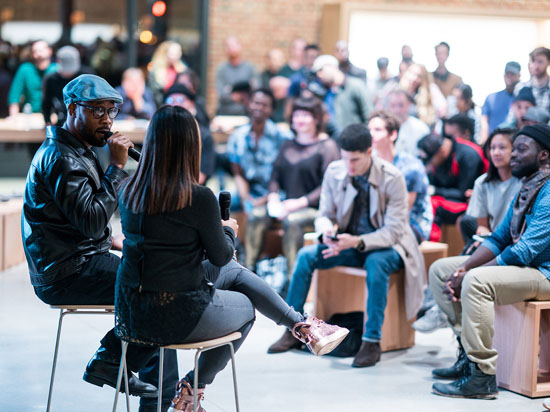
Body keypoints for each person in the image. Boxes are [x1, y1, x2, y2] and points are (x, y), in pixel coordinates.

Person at [115, 105, 349, 412]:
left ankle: (303, 326)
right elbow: (222, 255)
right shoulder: (197, 197)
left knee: (237, 274)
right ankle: (194, 385)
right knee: (246, 308)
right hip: (176, 311)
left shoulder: (128, 190)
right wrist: (226, 230)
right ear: (190, 145)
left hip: (134, 311)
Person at [22, 74, 177, 412]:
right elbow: (92, 222)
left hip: (77, 261)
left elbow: (85, 225)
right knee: (165, 292)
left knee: (162, 287)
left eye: (112, 111)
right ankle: (111, 360)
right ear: (73, 108)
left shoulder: (76, 150)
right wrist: (118, 168)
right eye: (98, 111)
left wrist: (116, 240)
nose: (107, 120)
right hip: (67, 274)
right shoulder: (63, 158)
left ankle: (150, 394)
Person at [267, 123, 425, 368]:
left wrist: (359, 242)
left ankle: (371, 341)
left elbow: (394, 231)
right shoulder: (335, 170)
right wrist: (327, 231)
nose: (349, 166)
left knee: (376, 261)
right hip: (347, 243)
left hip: (388, 247)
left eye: (356, 160)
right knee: (306, 256)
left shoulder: (393, 177)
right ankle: (294, 329)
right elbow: (324, 213)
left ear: (370, 152)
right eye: (345, 159)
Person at [429, 124, 550, 399]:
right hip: (526, 268)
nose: (513, 156)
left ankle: (481, 375)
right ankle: (467, 354)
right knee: (440, 269)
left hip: (544, 273)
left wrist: (470, 274)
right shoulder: (528, 186)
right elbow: (499, 238)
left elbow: (524, 250)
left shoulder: (548, 190)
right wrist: (463, 267)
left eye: (521, 149)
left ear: (543, 155)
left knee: (476, 280)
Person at [248, 97, 340, 279]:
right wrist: (273, 197)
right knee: (256, 215)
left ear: (317, 119)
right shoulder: (287, 145)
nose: (300, 119)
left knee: (292, 220)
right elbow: (275, 176)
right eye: (297, 115)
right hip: (285, 205)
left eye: (305, 115)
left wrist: (299, 203)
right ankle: (248, 272)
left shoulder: (327, 146)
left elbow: (328, 186)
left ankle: (293, 278)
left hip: (315, 209)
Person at [226, 89, 292, 268]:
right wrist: (247, 199)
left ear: (271, 110)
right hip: (249, 192)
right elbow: (238, 173)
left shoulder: (283, 137)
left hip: (276, 192)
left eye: (264, 105)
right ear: (249, 104)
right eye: (256, 103)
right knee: (217, 202)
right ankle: (225, 256)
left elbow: (286, 176)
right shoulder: (238, 136)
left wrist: (263, 199)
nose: (258, 108)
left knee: (256, 215)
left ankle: (249, 266)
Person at [368, 110, 432, 242]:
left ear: (393, 134)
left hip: (412, 226)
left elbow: (403, 209)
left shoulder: (410, 166)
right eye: (369, 129)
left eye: (377, 130)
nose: (371, 134)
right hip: (380, 223)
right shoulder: (370, 163)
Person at [459, 128, 522, 252]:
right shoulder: (482, 183)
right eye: (492, 148)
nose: (496, 153)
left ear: (515, 151)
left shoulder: (524, 182)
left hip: (515, 246)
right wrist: (484, 237)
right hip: (494, 243)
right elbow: (483, 225)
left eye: (502, 148)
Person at [417, 131, 486, 242]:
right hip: (452, 199)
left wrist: (435, 190)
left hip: (472, 205)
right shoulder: (439, 158)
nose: (431, 164)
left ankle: (431, 245)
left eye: (431, 159)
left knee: (434, 204)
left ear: (441, 150)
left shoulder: (467, 155)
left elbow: (464, 193)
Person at [164, 83, 215, 184]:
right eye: (170, 101)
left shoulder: (204, 136)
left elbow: (200, 177)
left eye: (180, 100)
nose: (175, 104)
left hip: (192, 191)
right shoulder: (160, 133)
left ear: (191, 103)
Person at [8, 40, 57, 116]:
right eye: (35, 51)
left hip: (53, 115)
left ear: (50, 51)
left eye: (41, 50)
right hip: (31, 115)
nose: (39, 53)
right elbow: (14, 96)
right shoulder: (25, 69)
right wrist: (13, 117)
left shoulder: (57, 70)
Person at [42, 45, 84, 127]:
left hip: (83, 123)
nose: (68, 73)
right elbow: (46, 104)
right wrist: (47, 121)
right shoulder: (51, 80)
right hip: (61, 122)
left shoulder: (84, 78)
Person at [480, 61, 521, 144]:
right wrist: (484, 140)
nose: (509, 77)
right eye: (507, 74)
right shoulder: (491, 98)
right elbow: (484, 120)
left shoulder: (521, 99)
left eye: (512, 74)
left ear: (519, 76)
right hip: (493, 142)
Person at [215, 36, 256, 115]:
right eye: (228, 46)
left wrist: (230, 91)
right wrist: (241, 96)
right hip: (226, 114)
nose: (231, 48)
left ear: (240, 47)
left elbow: (255, 89)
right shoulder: (221, 70)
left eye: (233, 45)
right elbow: (222, 94)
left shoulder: (250, 68)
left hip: (246, 114)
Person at [387, 89, 430, 156]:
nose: (397, 110)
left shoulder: (421, 128)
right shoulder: (383, 129)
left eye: (401, 105)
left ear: (409, 104)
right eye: (393, 106)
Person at [148, 40, 187, 106]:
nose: (175, 56)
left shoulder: (183, 70)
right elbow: (154, 94)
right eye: (172, 53)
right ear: (165, 54)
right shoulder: (156, 71)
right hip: (162, 106)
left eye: (178, 53)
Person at [514, 47, 550, 113]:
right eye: (533, 61)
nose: (536, 66)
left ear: (548, 62)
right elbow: (513, 117)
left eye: (540, 62)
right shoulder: (520, 88)